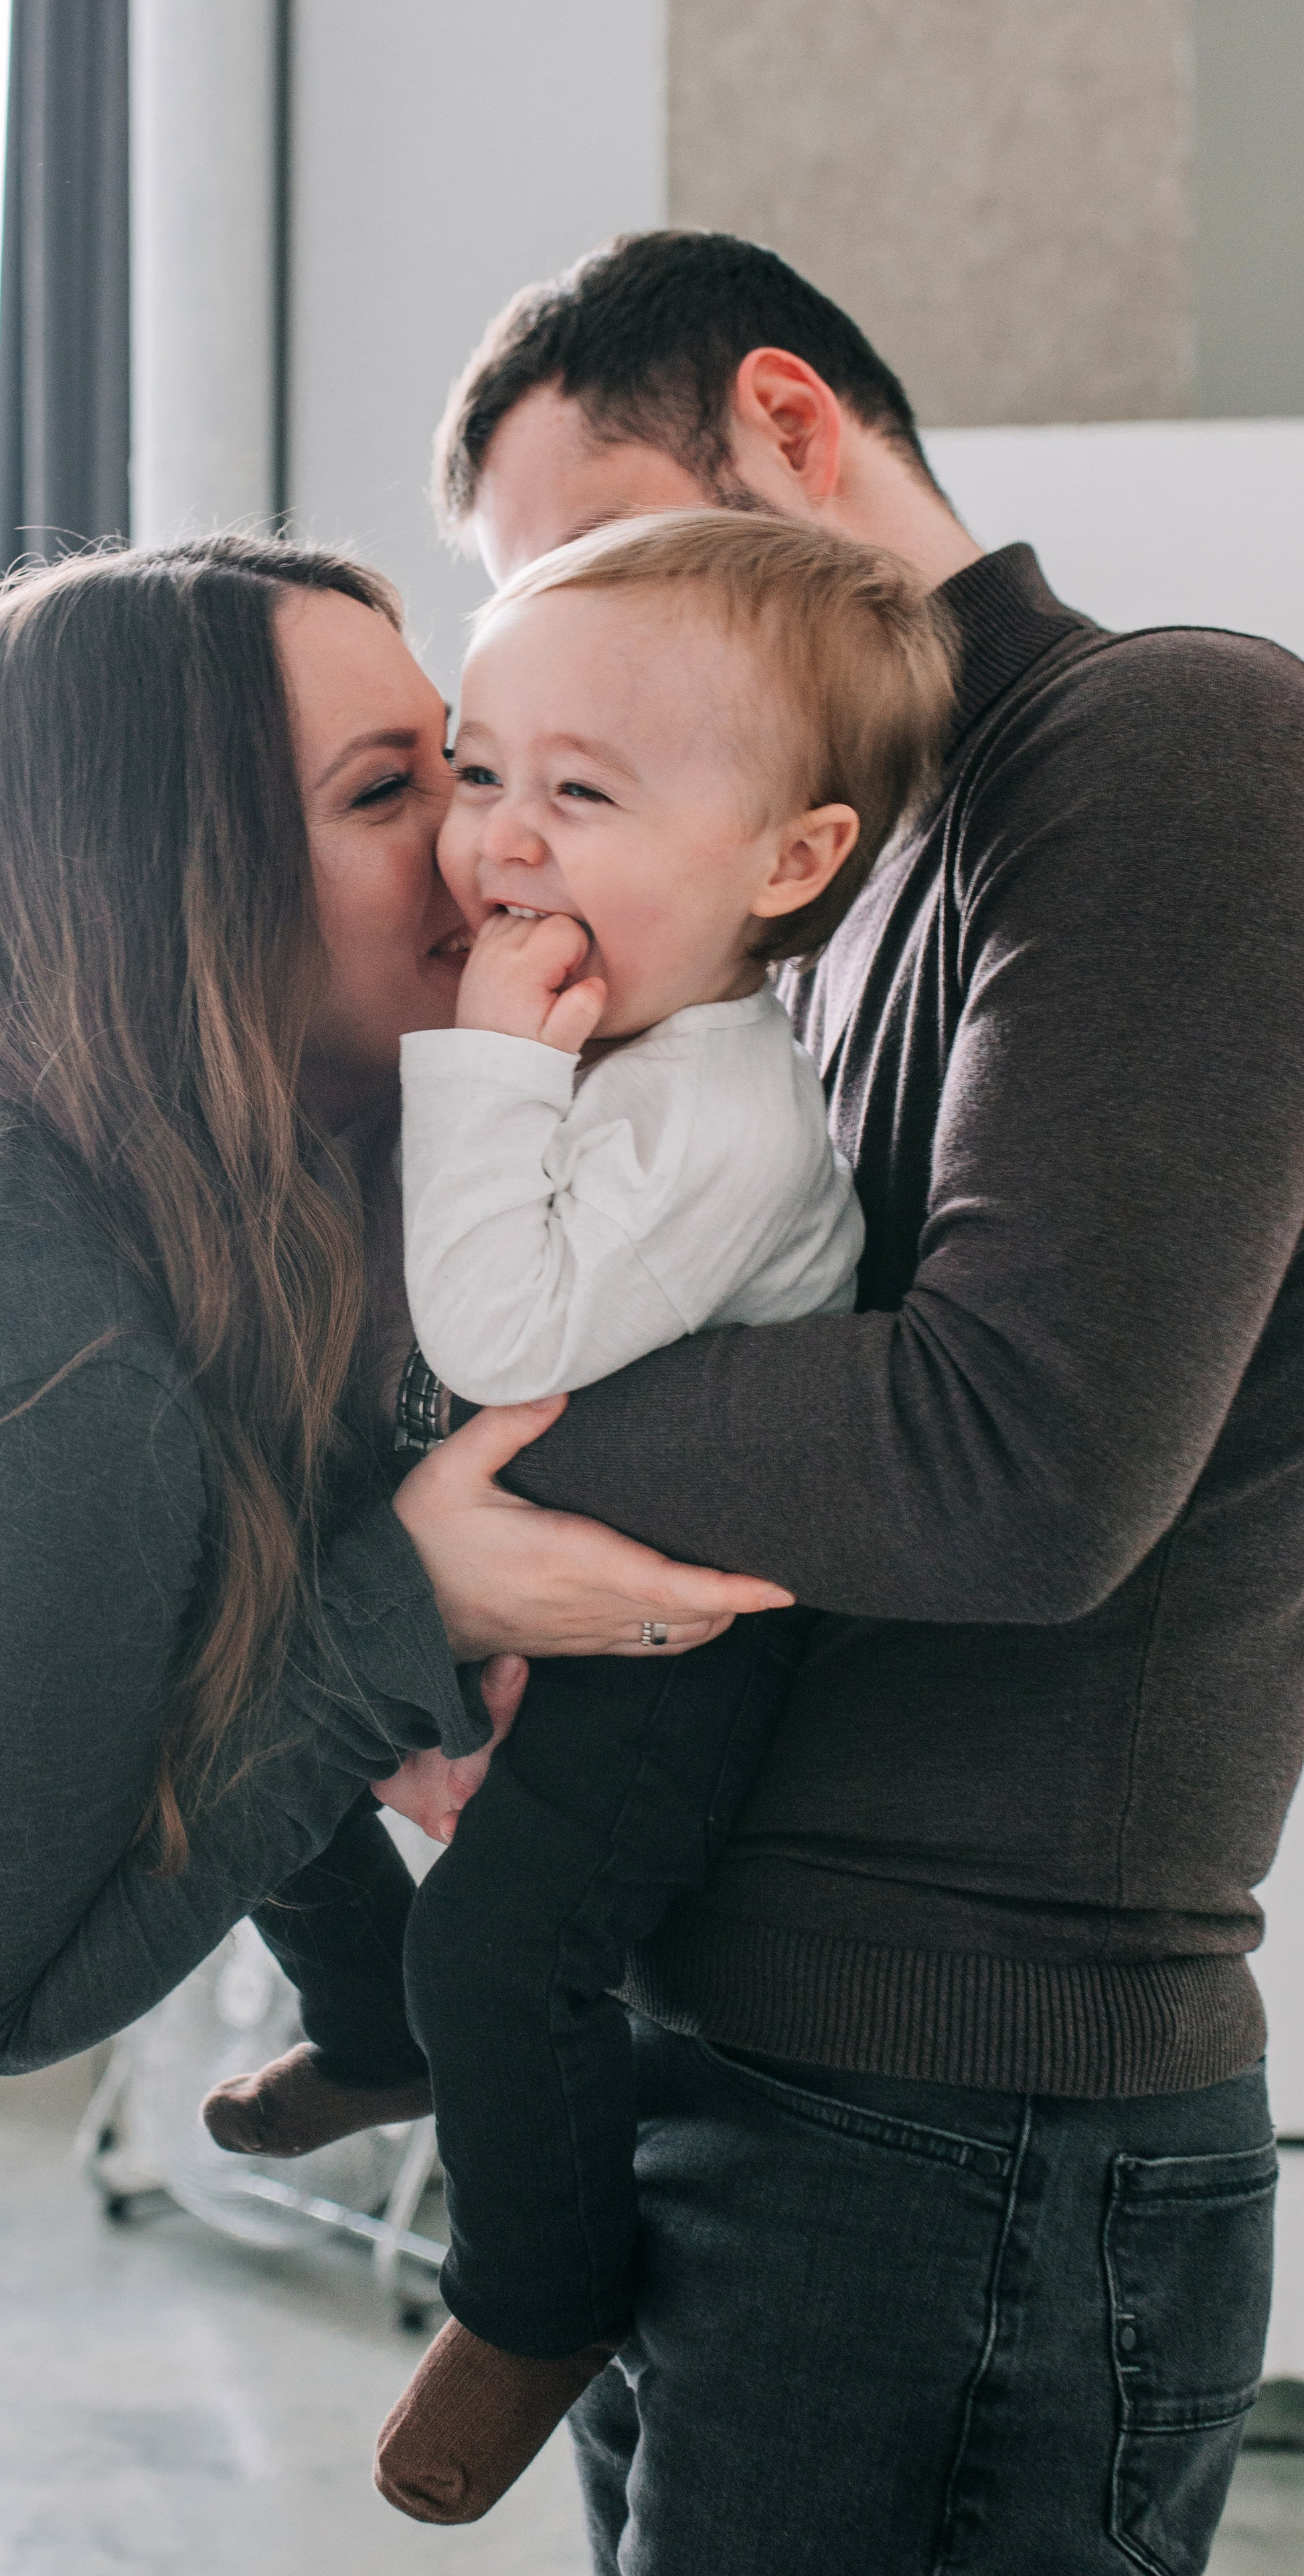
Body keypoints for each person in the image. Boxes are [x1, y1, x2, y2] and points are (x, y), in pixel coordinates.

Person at [0, 532, 779, 2575]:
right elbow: (4, 1985)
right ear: (182, 876)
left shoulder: (189, 1182)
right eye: (390, 792)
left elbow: (230, 1647)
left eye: (473, 764)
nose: (490, 847)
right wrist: (411, 1607)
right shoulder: (14, 1301)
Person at [405, 230, 1304, 2574]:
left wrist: (432, 1496)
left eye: (612, 551)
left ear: (791, 429)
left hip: (971, 2106)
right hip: (767, 2059)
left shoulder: (1176, 741)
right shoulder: (815, 892)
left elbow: (1013, 1467)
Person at [201, 509, 954, 2527]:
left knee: (503, 1950)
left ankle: (539, 2297)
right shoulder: (594, 1048)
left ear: (787, 864)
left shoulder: (714, 1103)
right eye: (479, 771)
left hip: (673, 1649)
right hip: (523, 1561)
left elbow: (500, 1314)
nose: (495, 840)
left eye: (581, 793)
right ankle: (367, 2027)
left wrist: (472, 1068)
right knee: (252, 1750)